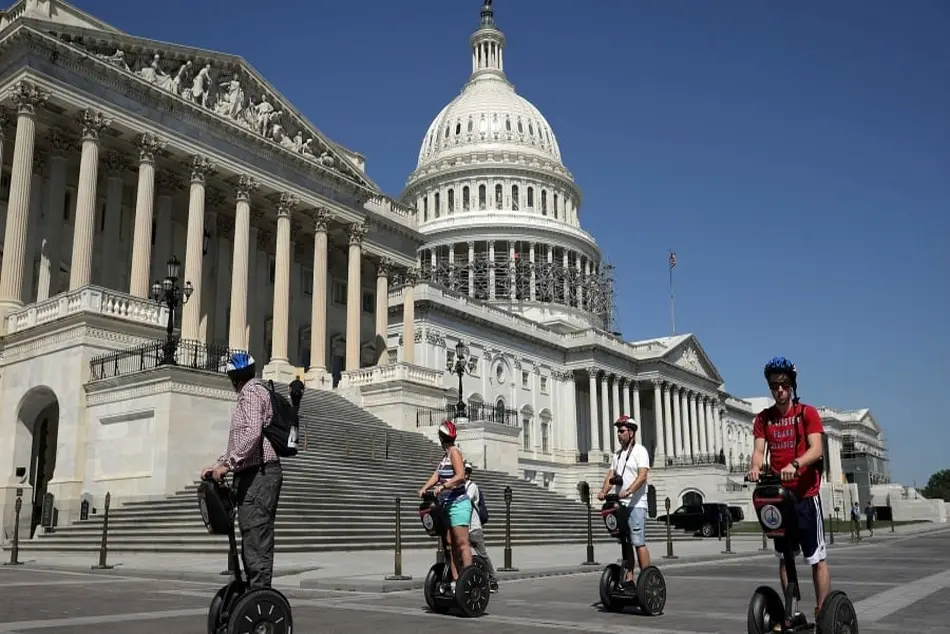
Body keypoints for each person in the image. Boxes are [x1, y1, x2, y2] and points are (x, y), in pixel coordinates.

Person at [748, 356, 829, 623]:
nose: (779, 390)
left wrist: (796, 463)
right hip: (781, 498)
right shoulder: (764, 419)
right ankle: (791, 611)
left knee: (816, 558)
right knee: (784, 557)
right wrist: (755, 468)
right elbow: (759, 451)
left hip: (806, 495)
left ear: (792, 384)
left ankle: (823, 610)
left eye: (783, 384)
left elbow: (816, 450)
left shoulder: (807, 413)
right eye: (774, 386)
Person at [200, 353, 283, 589]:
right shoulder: (252, 392)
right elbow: (243, 437)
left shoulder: (251, 392)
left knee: (256, 534)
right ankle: (254, 591)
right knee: (250, 533)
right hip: (252, 472)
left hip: (261, 473)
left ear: (233, 377)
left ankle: (260, 594)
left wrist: (228, 465)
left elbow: (253, 433)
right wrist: (220, 463)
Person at [418, 420, 473, 590]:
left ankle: (468, 580)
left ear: (442, 438)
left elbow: (460, 476)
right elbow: (437, 474)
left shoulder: (454, 452)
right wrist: (424, 488)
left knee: (462, 544)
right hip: (446, 506)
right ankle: (456, 581)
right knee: (449, 546)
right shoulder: (445, 456)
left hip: (458, 505)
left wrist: (443, 487)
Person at [597, 415, 651, 584]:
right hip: (621, 506)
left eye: (622, 431)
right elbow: (611, 475)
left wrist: (629, 491)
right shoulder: (618, 455)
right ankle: (629, 579)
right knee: (625, 542)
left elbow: (642, 476)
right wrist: (603, 491)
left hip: (636, 505)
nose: (619, 435)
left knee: (637, 541)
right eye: (618, 432)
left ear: (631, 432)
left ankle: (646, 578)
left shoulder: (640, 451)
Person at [463, 461, 499, 592]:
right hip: (463, 529)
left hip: (474, 528)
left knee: (482, 555)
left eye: (467, 472)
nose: (465, 474)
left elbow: (466, 499)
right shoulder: (458, 486)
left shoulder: (472, 486)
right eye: (463, 471)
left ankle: (493, 580)